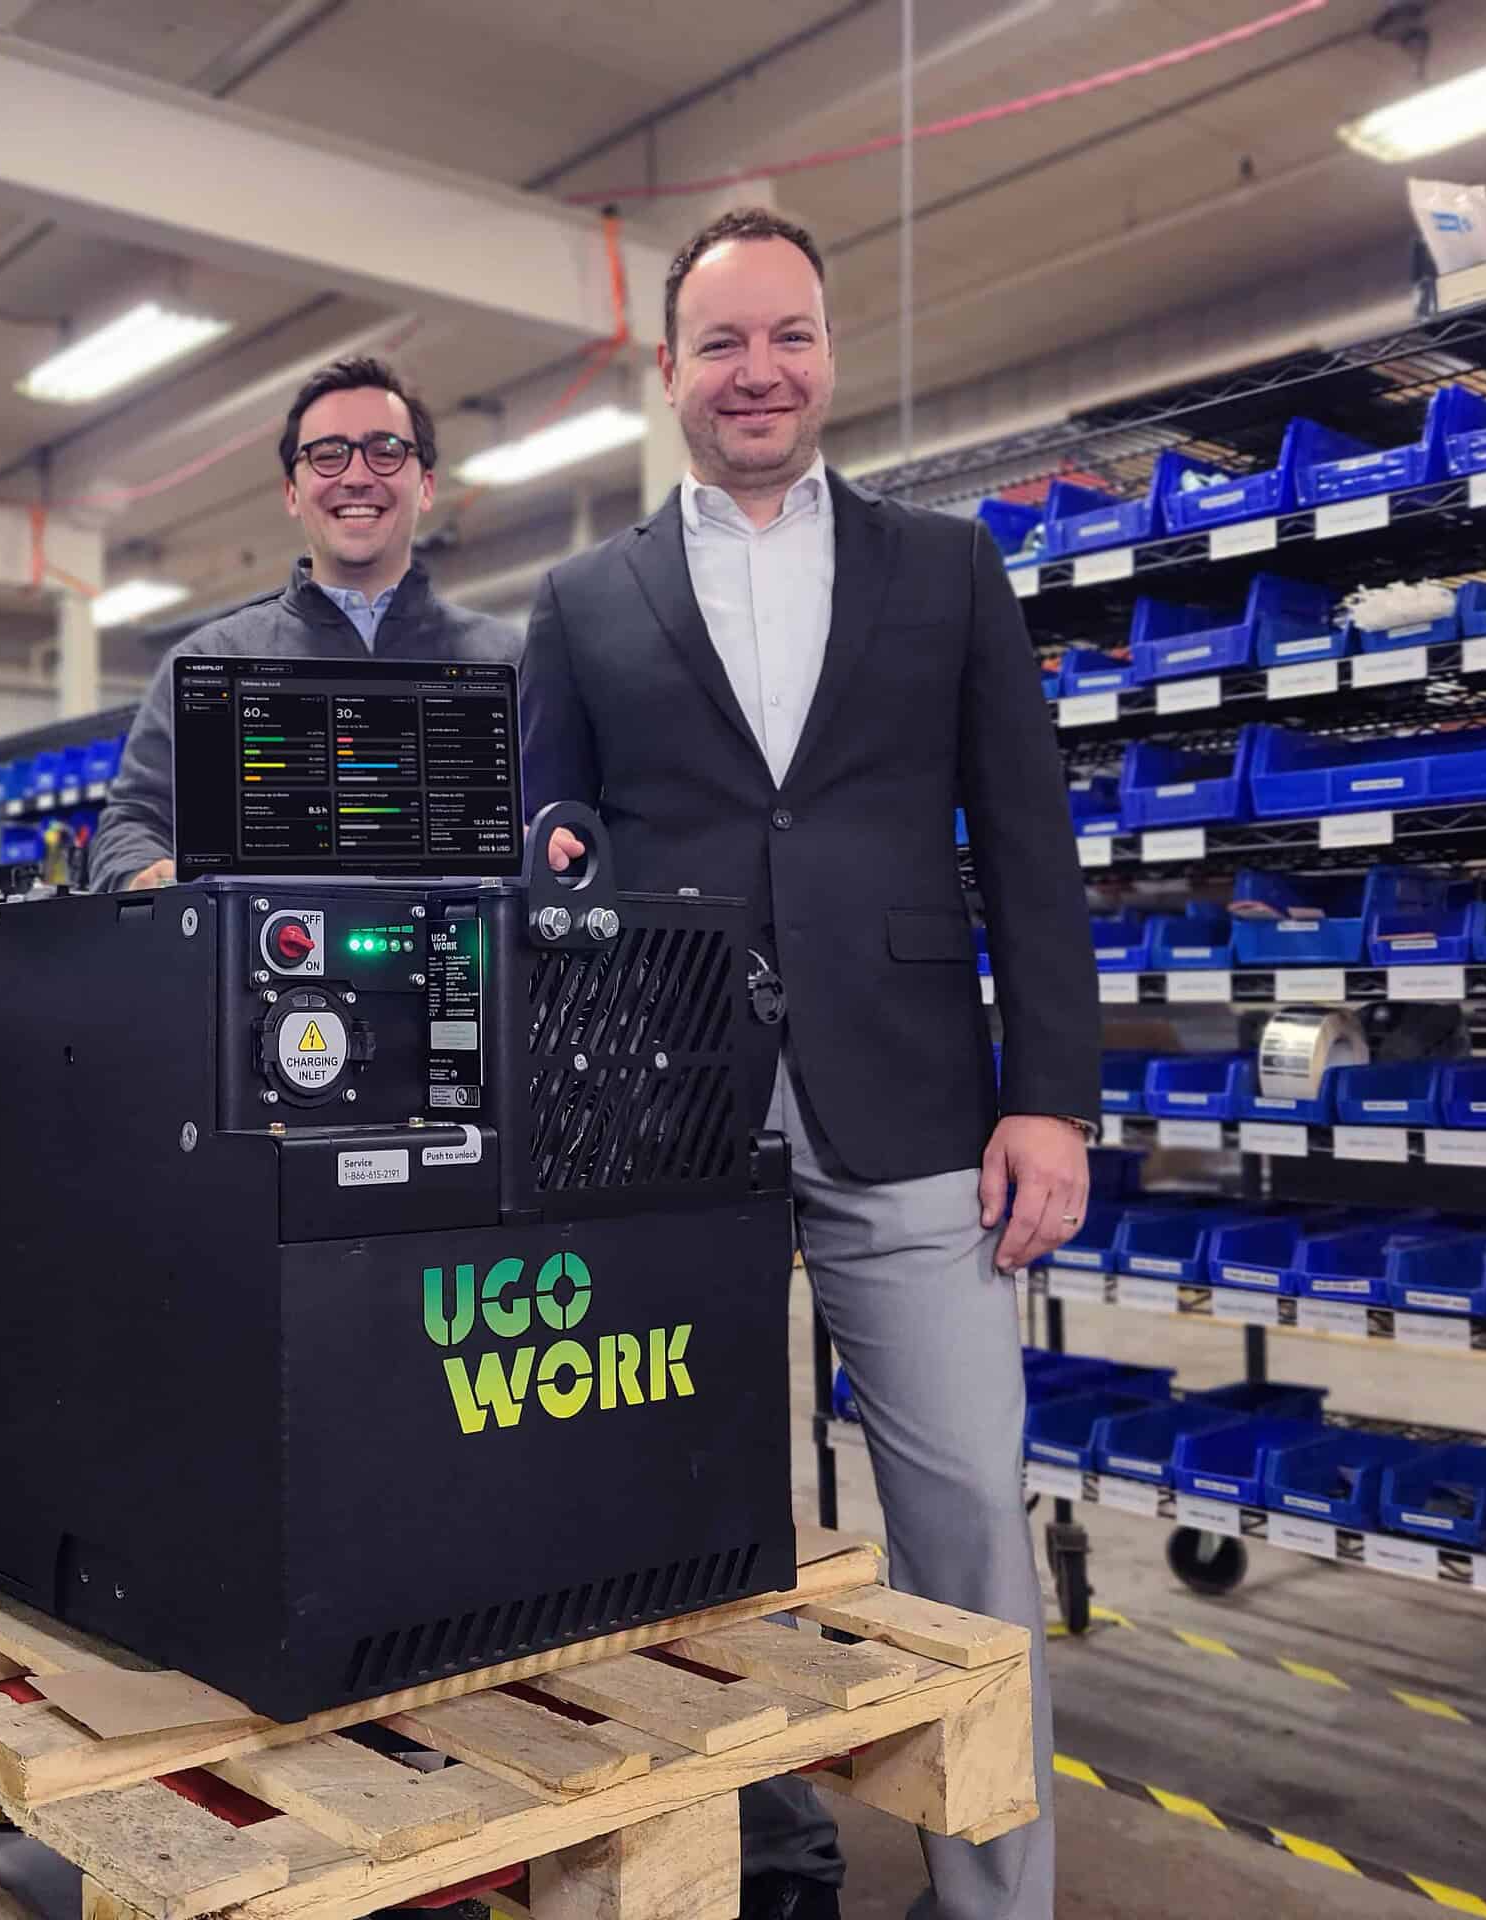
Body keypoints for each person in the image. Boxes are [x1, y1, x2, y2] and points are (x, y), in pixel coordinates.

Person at [520, 207, 1095, 1920]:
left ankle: (996, 1899)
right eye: (722, 342)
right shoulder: (581, 598)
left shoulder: (947, 569)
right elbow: (548, 813)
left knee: (970, 1517)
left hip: (916, 1099)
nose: (757, 370)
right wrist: (551, 841)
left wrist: (1050, 1092)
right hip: (663, 1110)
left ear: (829, 352)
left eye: (788, 335)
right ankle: (734, 1864)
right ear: (672, 371)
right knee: (680, 1528)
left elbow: (1029, 840)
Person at [87, 355, 519, 891]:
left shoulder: (513, 662)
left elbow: (564, 822)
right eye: (327, 455)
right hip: (268, 973)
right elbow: (132, 823)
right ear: (292, 492)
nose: (357, 476)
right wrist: (141, 876)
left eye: (385, 452)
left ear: (427, 486)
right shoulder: (214, 660)